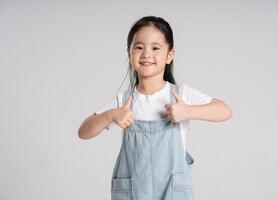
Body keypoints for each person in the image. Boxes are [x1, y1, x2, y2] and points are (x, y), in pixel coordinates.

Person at [78, 15, 232, 200]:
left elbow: (225, 110)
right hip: (133, 193)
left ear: (170, 55)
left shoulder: (180, 95)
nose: (146, 54)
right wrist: (111, 115)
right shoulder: (125, 101)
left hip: (172, 192)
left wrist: (188, 111)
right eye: (139, 47)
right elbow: (83, 132)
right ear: (129, 54)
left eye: (155, 48)